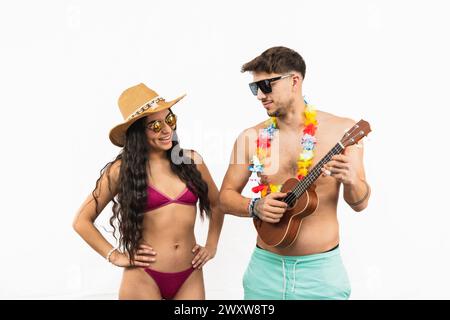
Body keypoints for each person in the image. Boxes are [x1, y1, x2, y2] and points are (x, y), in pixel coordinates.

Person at [219, 46, 371, 300]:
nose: (260, 95)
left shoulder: (342, 131)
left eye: (266, 85)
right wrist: (254, 206)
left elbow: (360, 202)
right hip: (264, 272)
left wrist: (352, 180)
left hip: (321, 276)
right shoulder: (249, 138)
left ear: (294, 81)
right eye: (254, 88)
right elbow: (224, 197)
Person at [73, 83, 224, 300]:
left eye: (169, 120)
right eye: (155, 125)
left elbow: (218, 204)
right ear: (137, 133)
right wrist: (114, 256)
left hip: (189, 275)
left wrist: (211, 245)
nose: (166, 130)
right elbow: (81, 221)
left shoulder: (192, 161)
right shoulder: (120, 170)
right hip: (144, 277)